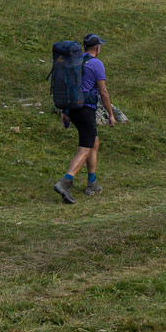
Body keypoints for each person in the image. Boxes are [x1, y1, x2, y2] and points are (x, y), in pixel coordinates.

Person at [52, 34, 117, 204]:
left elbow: (70, 85)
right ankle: (66, 181)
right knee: (85, 147)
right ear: (97, 48)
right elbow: (103, 92)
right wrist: (111, 114)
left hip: (73, 108)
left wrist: (66, 111)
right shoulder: (96, 64)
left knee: (93, 142)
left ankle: (92, 183)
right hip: (86, 109)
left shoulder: (75, 60)